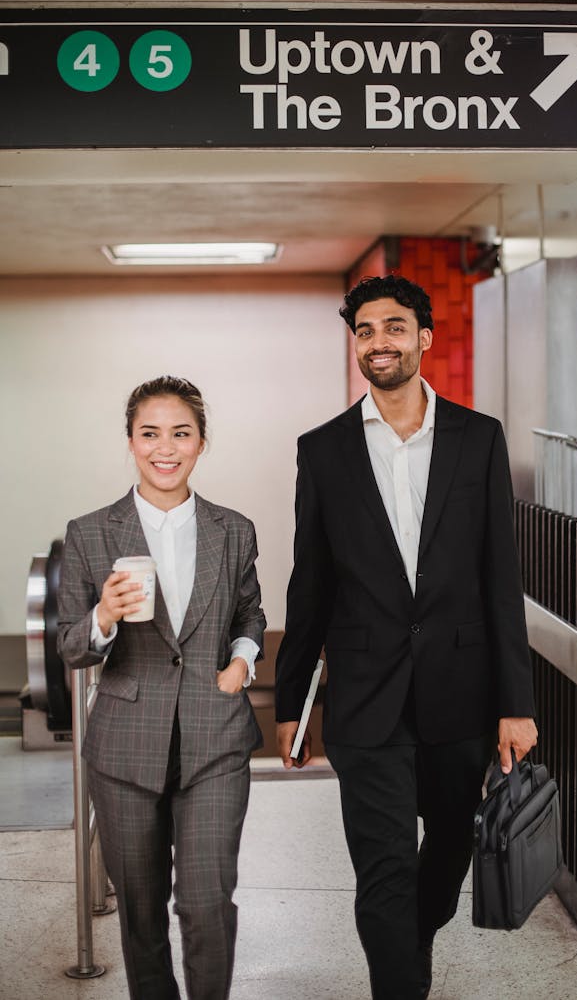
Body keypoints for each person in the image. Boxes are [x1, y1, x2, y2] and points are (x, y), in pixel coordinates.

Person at [275, 275, 538, 1000]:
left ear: (424, 337)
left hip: (462, 691)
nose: (379, 340)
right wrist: (292, 702)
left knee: (448, 854)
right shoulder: (322, 450)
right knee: (384, 870)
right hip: (365, 699)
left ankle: (407, 942)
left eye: (394, 326)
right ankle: (400, 980)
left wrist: (516, 702)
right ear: (355, 343)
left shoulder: (477, 438)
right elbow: (311, 582)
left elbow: (499, 575)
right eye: (365, 329)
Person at [57, 375, 266, 1000]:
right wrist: (102, 618)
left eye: (181, 433)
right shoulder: (90, 532)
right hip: (124, 748)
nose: (165, 447)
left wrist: (244, 659)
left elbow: (249, 613)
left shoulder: (234, 530)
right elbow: (70, 646)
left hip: (216, 740)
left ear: (201, 443)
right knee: (141, 915)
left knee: (205, 903)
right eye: (150, 433)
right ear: (130, 441)